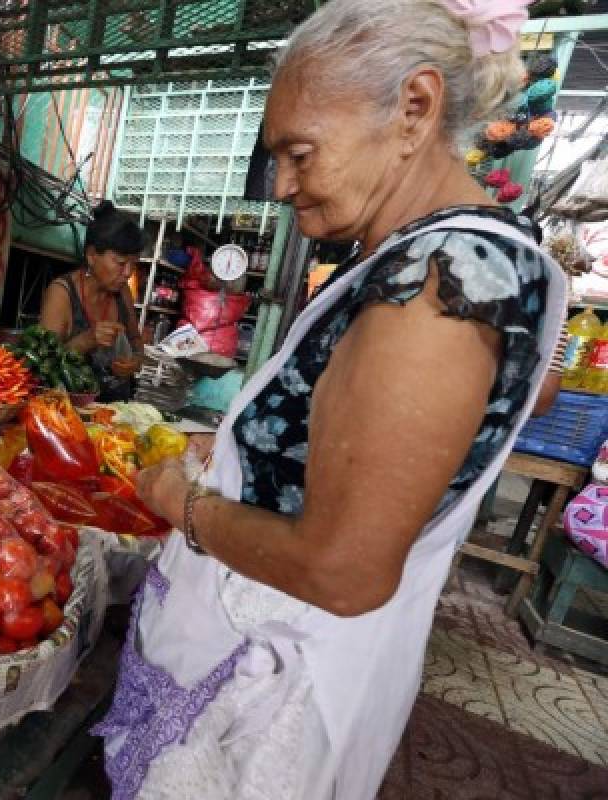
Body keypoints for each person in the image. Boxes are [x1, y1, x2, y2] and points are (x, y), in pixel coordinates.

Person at [92, 2, 563, 799]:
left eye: (298, 153)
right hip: (269, 670)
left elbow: (342, 569)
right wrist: (244, 454)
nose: (280, 186)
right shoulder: (446, 256)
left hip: (266, 698)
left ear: (414, 108)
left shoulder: (437, 284)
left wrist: (183, 505)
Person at [39, 202, 146, 401]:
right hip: (69, 413)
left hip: (116, 414)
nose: (128, 273)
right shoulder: (61, 294)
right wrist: (87, 340)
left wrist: (136, 361)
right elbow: (43, 366)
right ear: (91, 256)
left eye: (134, 264)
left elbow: (135, 340)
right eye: (121, 263)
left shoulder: (122, 292)